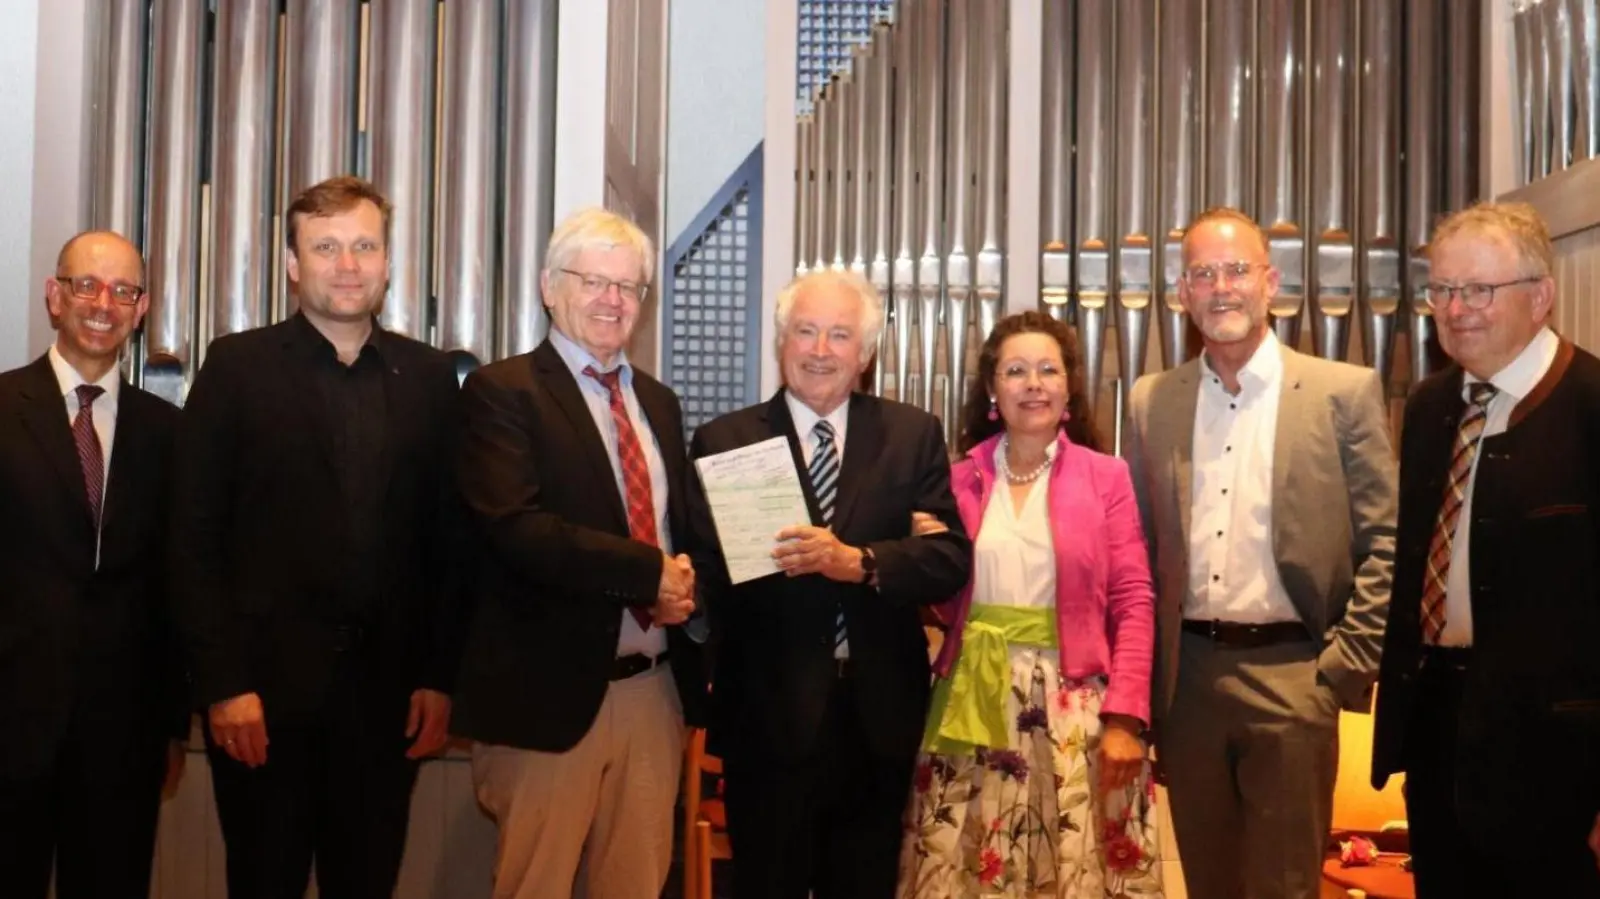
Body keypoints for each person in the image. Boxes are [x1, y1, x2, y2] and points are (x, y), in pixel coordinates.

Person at [171, 176, 464, 898]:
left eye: (365, 246)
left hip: (388, 705)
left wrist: (439, 675)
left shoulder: (429, 378)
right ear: (294, 264)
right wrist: (223, 683)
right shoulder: (235, 367)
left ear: (389, 263)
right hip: (261, 707)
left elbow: (448, 543)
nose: (348, 264)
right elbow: (192, 538)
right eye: (326, 247)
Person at [1123, 206, 1397, 899]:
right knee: (1209, 883)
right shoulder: (1152, 400)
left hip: (1295, 675)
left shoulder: (1343, 392)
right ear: (1180, 293)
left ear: (1271, 282)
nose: (1221, 288)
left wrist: (1339, 670)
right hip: (1189, 685)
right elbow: (1140, 549)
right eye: (1202, 274)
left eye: (1237, 269)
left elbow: (1385, 543)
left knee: (1285, 887)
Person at [686, 268, 972, 898]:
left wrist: (863, 561)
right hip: (767, 712)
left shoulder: (910, 433)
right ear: (781, 342)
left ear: (865, 353)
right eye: (805, 332)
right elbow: (710, 573)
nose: (820, 351)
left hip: (878, 713)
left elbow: (948, 558)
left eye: (839, 335)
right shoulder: (727, 441)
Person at [451, 207, 709, 899]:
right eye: (592, 280)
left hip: (652, 693)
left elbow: (674, 527)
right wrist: (651, 571)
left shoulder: (659, 401)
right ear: (547, 286)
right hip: (545, 694)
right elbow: (517, 528)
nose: (612, 299)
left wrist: (692, 582)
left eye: (629, 287)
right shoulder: (502, 392)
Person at [1371, 201, 1600, 895]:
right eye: (1442, 289)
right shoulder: (1431, 405)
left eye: (1479, 289)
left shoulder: (1593, 406)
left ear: (1541, 295)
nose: (1455, 308)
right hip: (1438, 730)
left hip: (1559, 760)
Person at [897, 311, 1162, 897]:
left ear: (1069, 386)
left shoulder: (1106, 476)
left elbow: (1134, 599)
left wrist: (1126, 718)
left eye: (1048, 369)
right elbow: (945, 605)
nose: (1033, 383)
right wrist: (922, 555)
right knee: (964, 873)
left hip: (1074, 707)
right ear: (993, 389)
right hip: (971, 699)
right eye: (1015, 371)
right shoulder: (958, 477)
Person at [0, 231, 186, 897]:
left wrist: (171, 721)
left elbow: (174, 589)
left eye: (123, 290)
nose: (103, 303)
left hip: (124, 738)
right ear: (55, 297)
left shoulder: (170, 435)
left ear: (141, 309)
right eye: (86, 285)